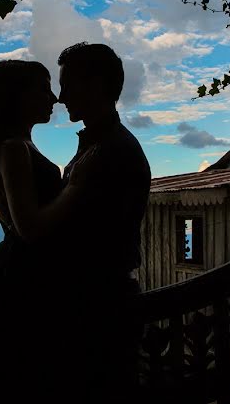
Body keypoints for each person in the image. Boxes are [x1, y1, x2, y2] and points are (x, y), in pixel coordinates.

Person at [0, 59, 90, 403]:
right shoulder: (15, 149)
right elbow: (29, 229)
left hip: (15, 270)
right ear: (19, 96)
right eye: (44, 88)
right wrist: (75, 187)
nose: (54, 98)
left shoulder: (14, 145)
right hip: (25, 279)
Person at [54, 42, 151, 403]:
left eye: (68, 85)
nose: (61, 97)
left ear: (95, 85)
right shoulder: (106, 145)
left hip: (96, 311)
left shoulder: (110, 152)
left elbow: (86, 237)